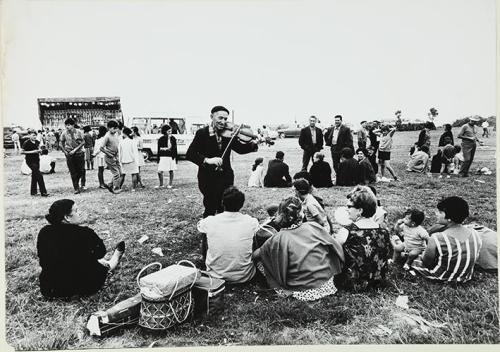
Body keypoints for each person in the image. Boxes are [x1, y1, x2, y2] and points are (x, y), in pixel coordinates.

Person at [253, 196, 344, 301]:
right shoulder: (314, 226)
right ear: (301, 214)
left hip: (300, 290)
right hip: (326, 283)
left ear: (280, 214)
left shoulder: (277, 239)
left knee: (261, 260)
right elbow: (335, 246)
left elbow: (255, 255)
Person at [37, 199, 125, 298]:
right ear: (67, 217)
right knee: (100, 264)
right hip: (84, 287)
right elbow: (101, 253)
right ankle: (112, 261)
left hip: (51, 288)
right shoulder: (85, 233)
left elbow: (43, 260)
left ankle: (104, 263)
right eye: (76, 211)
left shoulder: (44, 232)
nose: (80, 213)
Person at [186, 105, 258, 217]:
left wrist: (254, 145)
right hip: (207, 176)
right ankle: (208, 230)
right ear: (211, 117)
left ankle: (224, 228)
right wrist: (207, 160)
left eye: (225, 119)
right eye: (220, 118)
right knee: (210, 206)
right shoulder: (202, 133)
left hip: (226, 175)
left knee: (225, 206)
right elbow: (190, 154)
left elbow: (239, 148)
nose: (223, 122)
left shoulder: (229, 134)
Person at [411, 197, 482, 283]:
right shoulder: (475, 233)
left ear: (449, 218)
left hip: (444, 277)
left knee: (414, 258)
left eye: (440, 212)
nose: (436, 214)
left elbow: (426, 261)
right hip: (465, 276)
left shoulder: (437, 237)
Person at [197, 186, 259, 283]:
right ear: (242, 205)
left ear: (222, 203)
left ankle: (211, 262)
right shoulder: (250, 222)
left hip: (215, 275)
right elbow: (254, 246)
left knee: (206, 235)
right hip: (244, 275)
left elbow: (204, 244)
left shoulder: (209, 221)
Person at [335, 186, 391, 291]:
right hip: (378, 281)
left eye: (349, 206)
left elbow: (334, 253)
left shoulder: (347, 231)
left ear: (360, 210)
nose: (346, 209)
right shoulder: (384, 231)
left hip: (353, 283)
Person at [60, 118, 86, 194]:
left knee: (80, 170)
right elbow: (61, 143)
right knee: (72, 171)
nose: (67, 127)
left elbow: (83, 142)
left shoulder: (78, 132)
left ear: (73, 125)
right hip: (69, 154)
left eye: (69, 125)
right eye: (66, 125)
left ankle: (80, 183)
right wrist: (64, 151)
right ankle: (76, 187)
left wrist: (75, 150)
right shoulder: (64, 133)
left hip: (79, 153)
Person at [21, 130, 48, 197]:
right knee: (39, 175)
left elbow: (39, 149)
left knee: (34, 175)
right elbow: (22, 152)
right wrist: (33, 152)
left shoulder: (37, 142)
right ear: (29, 135)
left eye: (35, 135)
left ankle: (33, 192)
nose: (34, 136)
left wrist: (40, 151)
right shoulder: (26, 142)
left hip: (37, 160)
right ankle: (43, 192)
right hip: (30, 161)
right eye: (33, 135)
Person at [100, 120, 122, 194]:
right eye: (114, 128)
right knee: (116, 173)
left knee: (120, 172)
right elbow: (101, 148)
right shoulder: (107, 136)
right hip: (110, 156)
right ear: (109, 128)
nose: (115, 130)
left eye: (116, 128)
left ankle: (110, 184)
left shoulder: (115, 135)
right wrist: (109, 154)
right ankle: (115, 188)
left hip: (116, 155)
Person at [155, 124, 178, 189]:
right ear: (165, 131)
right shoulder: (161, 139)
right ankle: (161, 184)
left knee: (171, 170)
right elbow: (159, 149)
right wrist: (158, 158)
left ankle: (170, 184)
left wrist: (175, 158)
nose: (170, 133)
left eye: (171, 131)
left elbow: (174, 148)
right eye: (168, 131)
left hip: (171, 156)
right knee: (159, 171)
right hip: (163, 156)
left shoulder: (173, 138)